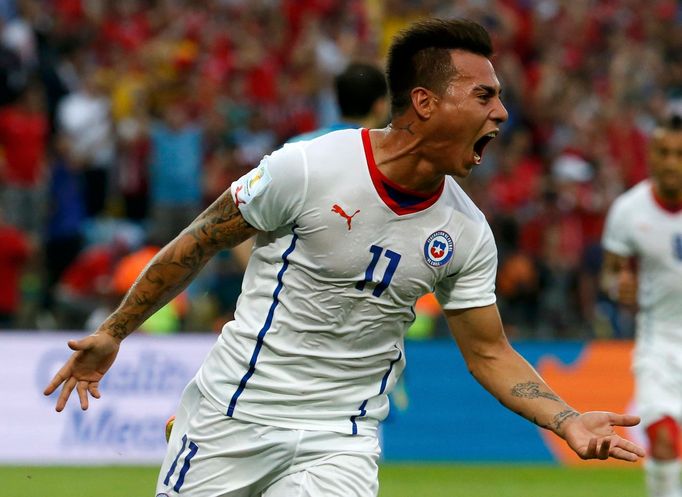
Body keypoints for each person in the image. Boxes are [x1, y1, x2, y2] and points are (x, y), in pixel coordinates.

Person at [44, 18, 644, 497]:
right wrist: (114, 332)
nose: (502, 113)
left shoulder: (467, 231)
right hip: (235, 411)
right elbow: (198, 241)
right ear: (425, 102)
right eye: (484, 95)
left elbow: (488, 351)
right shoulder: (308, 168)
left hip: (341, 436)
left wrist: (566, 420)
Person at [601, 114, 682, 497]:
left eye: (679, 154)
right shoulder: (628, 212)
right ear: (650, 155)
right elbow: (609, 276)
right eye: (663, 152)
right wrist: (620, 286)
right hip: (659, 346)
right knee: (664, 441)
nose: (670, 162)